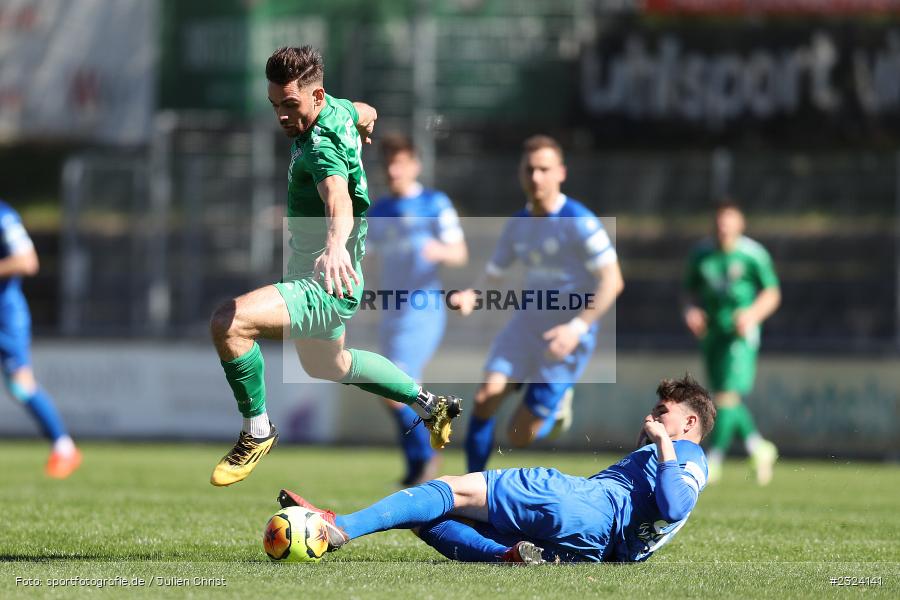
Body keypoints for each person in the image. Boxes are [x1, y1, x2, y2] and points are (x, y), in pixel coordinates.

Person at [208, 46, 461, 487]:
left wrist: (335, 245)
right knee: (330, 365)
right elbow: (366, 110)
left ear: (317, 96)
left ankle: (257, 431)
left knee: (229, 323)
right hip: (332, 276)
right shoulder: (338, 109)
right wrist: (365, 126)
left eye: (291, 105)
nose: (283, 116)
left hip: (324, 278)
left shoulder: (321, 144)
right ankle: (428, 403)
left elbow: (337, 197)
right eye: (275, 106)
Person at [276, 374, 715, 563]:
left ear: (690, 423)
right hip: (592, 547)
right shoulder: (671, 459)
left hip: (582, 504)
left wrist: (663, 445)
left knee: (449, 487)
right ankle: (508, 559)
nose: (653, 417)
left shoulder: (688, 457)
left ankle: (340, 527)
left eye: (663, 411)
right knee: (428, 518)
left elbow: (676, 506)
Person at [453, 135, 624, 472]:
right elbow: (494, 273)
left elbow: (613, 281)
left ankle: (557, 408)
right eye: (529, 170)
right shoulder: (518, 224)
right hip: (526, 325)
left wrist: (576, 329)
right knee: (485, 397)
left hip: (568, 335)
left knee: (518, 436)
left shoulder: (580, 222)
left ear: (560, 173)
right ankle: (468, 488)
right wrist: (472, 294)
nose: (535, 178)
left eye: (544, 170)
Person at [366, 134, 468, 485]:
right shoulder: (379, 210)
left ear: (415, 165)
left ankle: (425, 460)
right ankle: (418, 460)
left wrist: (438, 251)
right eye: (389, 163)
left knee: (397, 389)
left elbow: (459, 252)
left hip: (422, 310)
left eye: (401, 162)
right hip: (391, 312)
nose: (394, 170)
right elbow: (365, 256)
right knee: (390, 392)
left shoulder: (434, 203)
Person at [683, 201, 780, 485]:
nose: (723, 226)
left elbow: (772, 292)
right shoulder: (701, 254)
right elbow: (688, 293)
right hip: (712, 334)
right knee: (725, 399)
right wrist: (691, 311)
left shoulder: (752, 254)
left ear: (740, 224)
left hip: (740, 335)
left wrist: (752, 315)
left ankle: (713, 460)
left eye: (729, 221)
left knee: (725, 397)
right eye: (719, 221)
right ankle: (758, 447)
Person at [0, 200, 81, 478]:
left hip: (5, 315)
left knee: (20, 386)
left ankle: (64, 447)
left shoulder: (4, 216)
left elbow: (27, 260)